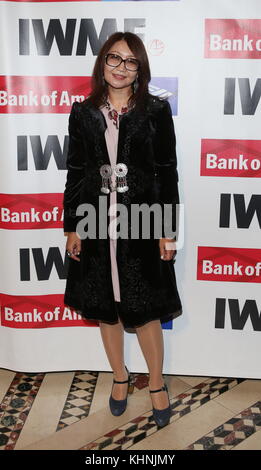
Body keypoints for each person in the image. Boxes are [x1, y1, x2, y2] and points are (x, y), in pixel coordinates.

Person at [63, 32, 182, 427]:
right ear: (102, 62)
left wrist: (166, 229)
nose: (120, 67)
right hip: (95, 222)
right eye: (114, 58)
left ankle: (158, 383)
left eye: (130, 61)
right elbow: (77, 172)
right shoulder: (83, 113)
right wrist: (73, 226)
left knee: (146, 308)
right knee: (106, 307)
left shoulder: (155, 111)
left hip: (143, 221)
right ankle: (119, 377)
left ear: (140, 69)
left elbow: (167, 172)